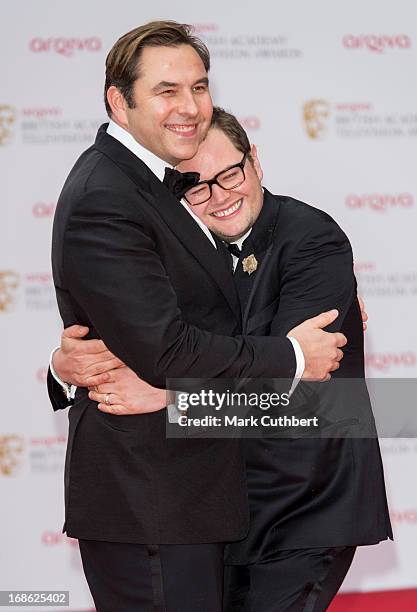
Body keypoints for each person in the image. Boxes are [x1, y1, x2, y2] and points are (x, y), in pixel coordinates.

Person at [48, 22, 347, 612]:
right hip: (189, 504)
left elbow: (336, 402)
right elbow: (153, 333)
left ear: (255, 158)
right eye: (196, 187)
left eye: (230, 173)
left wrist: (170, 396)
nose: (215, 194)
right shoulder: (132, 197)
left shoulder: (310, 241)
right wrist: (66, 366)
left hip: (294, 512)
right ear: (120, 101)